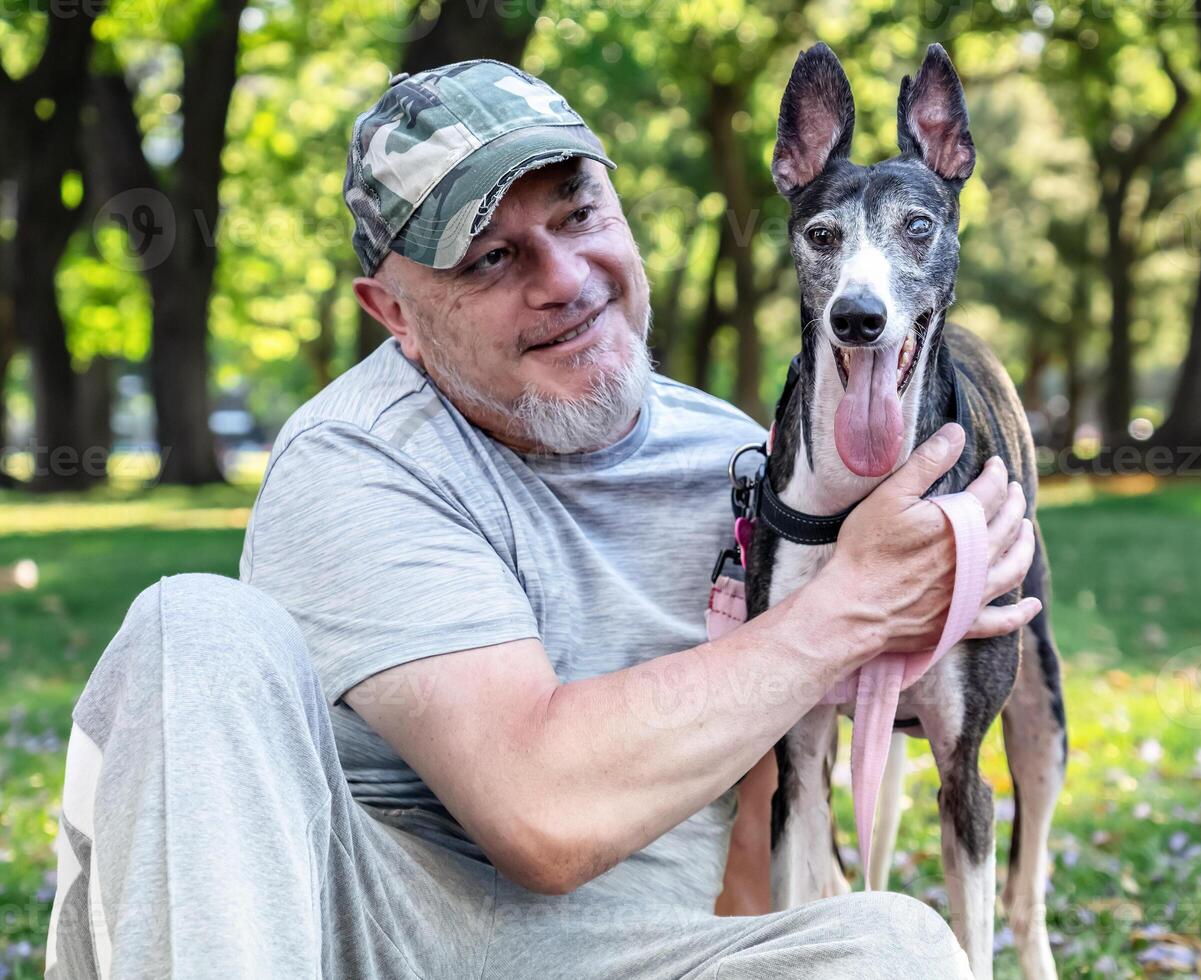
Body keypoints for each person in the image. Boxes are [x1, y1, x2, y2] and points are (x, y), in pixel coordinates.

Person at [44, 59, 1040, 979]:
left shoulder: (752, 459)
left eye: (578, 214)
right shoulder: (357, 459)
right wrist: (847, 611)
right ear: (393, 314)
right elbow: (541, 813)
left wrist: (927, 629)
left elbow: (762, 804)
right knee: (198, 631)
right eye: (490, 258)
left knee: (896, 945)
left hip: (640, 953)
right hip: (369, 938)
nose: (563, 278)